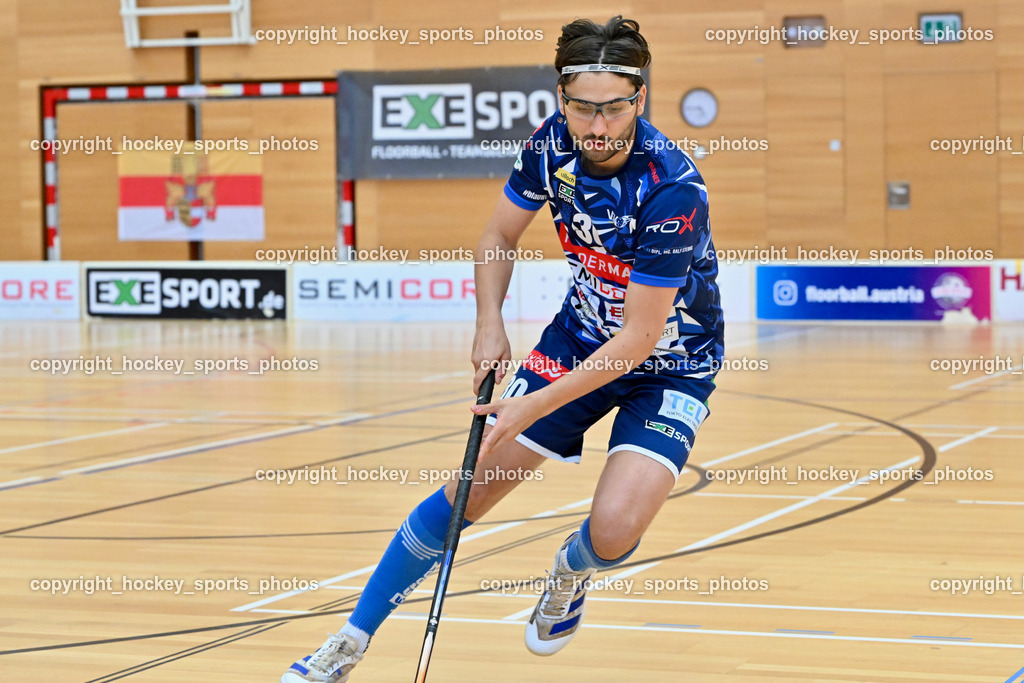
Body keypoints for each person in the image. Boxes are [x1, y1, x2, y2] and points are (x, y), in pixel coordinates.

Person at [282, 15, 723, 682]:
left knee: (614, 529)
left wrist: (531, 406)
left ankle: (570, 572)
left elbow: (638, 339)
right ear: (561, 99)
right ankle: (346, 642)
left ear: (639, 98)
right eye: (582, 108)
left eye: (614, 109)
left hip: (670, 365)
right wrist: (489, 319)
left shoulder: (672, 187)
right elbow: (497, 238)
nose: (597, 126)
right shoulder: (551, 148)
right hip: (577, 340)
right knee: (466, 493)